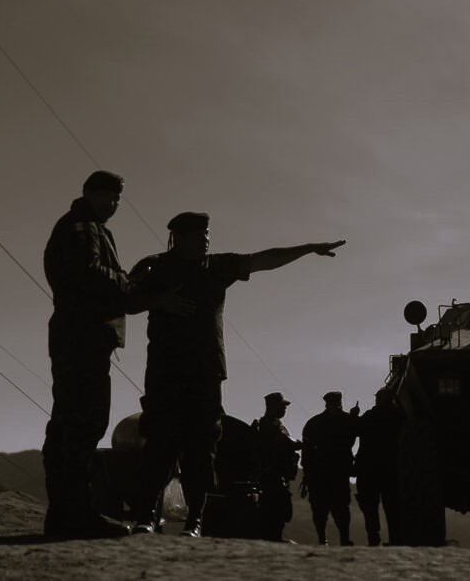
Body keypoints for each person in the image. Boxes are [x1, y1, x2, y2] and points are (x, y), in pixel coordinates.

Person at [126, 210, 345, 538]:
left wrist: (309, 247)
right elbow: (126, 300)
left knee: (202, 448)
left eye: (208, 235)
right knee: (161, 443)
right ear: (180, 237)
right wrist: (159, 300)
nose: (207, 240)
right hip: (166, 372)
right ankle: (144, 515)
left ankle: (194, 521)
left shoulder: (217, 266)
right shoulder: (155, 266)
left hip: (207, 372)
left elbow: (264, 260)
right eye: (200, 236)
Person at [41, 170, 132, 538]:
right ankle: (73, 514)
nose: (113, 204)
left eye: (117, 199)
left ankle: (67, 513)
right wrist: (130, 283)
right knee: (80, 423)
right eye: (108, 196)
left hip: (83, 336)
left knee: (73, 423)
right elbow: (89, 273)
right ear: (90, 194)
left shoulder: (88, 227)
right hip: (82, 335)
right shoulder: (81, 227)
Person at [301, 391, 359, 546]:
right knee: (323, 509)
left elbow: (306, 451)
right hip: (323, 473)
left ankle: (341, 540)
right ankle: (326, 540)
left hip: (334, 473)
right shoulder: (317, 423)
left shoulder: (315, 422)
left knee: (338, 508)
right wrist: (307, 472)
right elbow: (307, 451)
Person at [354, 386, 403, 546]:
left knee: (370, 508)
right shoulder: (399, 416)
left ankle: (373, 538)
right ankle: (395, 539)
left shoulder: (369, 416)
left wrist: (354, 416)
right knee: (393, 507)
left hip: (368, 469)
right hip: (391, 469)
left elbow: (356, 430)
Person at [252, 392, 303, 542]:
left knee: (279, 512)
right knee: (275, 510)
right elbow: (288, 442)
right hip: (272, 476)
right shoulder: (270, 424)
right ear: (272, 406)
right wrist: (300, 443)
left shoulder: (274, 424)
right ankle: (273, 539)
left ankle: (274, 537)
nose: (284, 410)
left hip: (277, 476)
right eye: (282, 406)